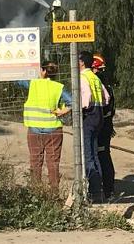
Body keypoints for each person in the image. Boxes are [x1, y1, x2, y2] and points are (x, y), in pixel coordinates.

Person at [18, 61, 72, 190]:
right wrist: (62, 111)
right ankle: (54, 191)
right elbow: (72, 101)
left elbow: (17, 79)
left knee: (35, 161)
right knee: (53, 162)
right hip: (53, 130)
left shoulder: (32, 84)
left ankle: (36, 191)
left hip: (34, 129)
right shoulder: (59, 87)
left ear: (42, 71)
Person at [77, 50, 106, 202]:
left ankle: (93, 192)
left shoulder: (82, 77)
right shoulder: (94, 77)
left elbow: (86, 98)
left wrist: (78, 108)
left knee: (87, 155)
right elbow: (105, 97)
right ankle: (98, 191)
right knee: (94, 155)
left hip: (89, 115)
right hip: (99, 114)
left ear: (81, 62)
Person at [91, 53, 116, 198]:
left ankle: (105, 189)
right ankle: (108, 189)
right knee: (103, 154)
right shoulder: (107, 85)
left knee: (101, 156)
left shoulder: (98, 84)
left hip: (100, 125)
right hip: (106, 124)